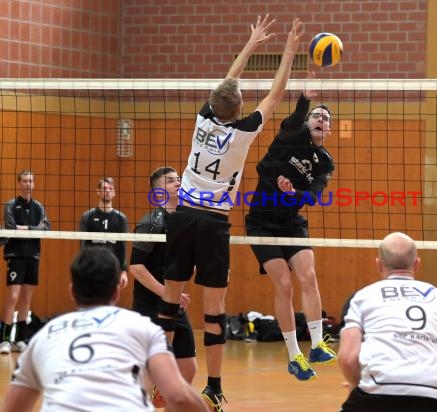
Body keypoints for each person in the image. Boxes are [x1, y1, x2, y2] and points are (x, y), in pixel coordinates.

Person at [158, 15, 303, 411]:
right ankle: (214, 386)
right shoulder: (244, 132)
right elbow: (276, 93)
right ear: (239, 108)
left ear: (214, 104)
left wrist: (250, 44)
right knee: (214, 310)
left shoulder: (202, 119)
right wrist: (288, 50)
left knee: (170, 303)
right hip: (213, 224)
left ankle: (161, 382)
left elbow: (227, 82)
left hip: (182, 216)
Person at [1, 246, 209, 412]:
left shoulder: (43, 336)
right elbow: (180, 397)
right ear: (117, 291)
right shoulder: (144, 328)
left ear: (72, 292)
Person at [244, 74, 336, 381]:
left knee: (308, 276)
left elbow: (313, 196)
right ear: (308, 122)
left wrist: (291, 193)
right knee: (284, 285)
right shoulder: (291, 135)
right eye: (316, 116)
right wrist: (305, 99)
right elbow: (296, 117)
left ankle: (318, 344)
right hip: (261, 222)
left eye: (326, 118)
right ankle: (294, 354)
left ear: (330, 129)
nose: (320, 119)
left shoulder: (325, 162)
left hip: (291, 222)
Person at [338, 232, 437, 412]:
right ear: (417, 264)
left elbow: (348, 359)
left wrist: (357, 385)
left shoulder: (361, 297)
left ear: (379, 265)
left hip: (378, 390)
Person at [130, 166, 196, 408]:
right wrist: (169, 293)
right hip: (150, 304)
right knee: (151, 367)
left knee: (188, 365)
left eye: (178, 179)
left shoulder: (186, 218)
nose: (177, 182)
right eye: (170, 181)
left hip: (173, 302)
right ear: (159, 191)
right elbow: (135, 267)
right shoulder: (151, 222)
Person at [0, 170, 51, 354]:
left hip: (33, 255)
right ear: (19, 183)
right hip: (15, 254)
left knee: (26, 299)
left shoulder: (38, 207)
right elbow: (11, 227)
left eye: (31, 181)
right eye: (25, 181)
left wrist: (27, 228)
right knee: (13, 296)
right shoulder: (11, 205)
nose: (29, 184)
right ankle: (5, 339)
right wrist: (31, 230)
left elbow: (46, 227)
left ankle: (21, 339)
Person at [79, 177, 129, 270]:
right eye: (104, 188)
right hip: (92, 266)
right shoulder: (87, 216)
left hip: (113, 266)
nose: (107, 191)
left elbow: (123, 247)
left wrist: (124, 270)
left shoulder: (121, 218)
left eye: (110, 189)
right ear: (98, 191)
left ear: (114, 193)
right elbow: (83, 245)